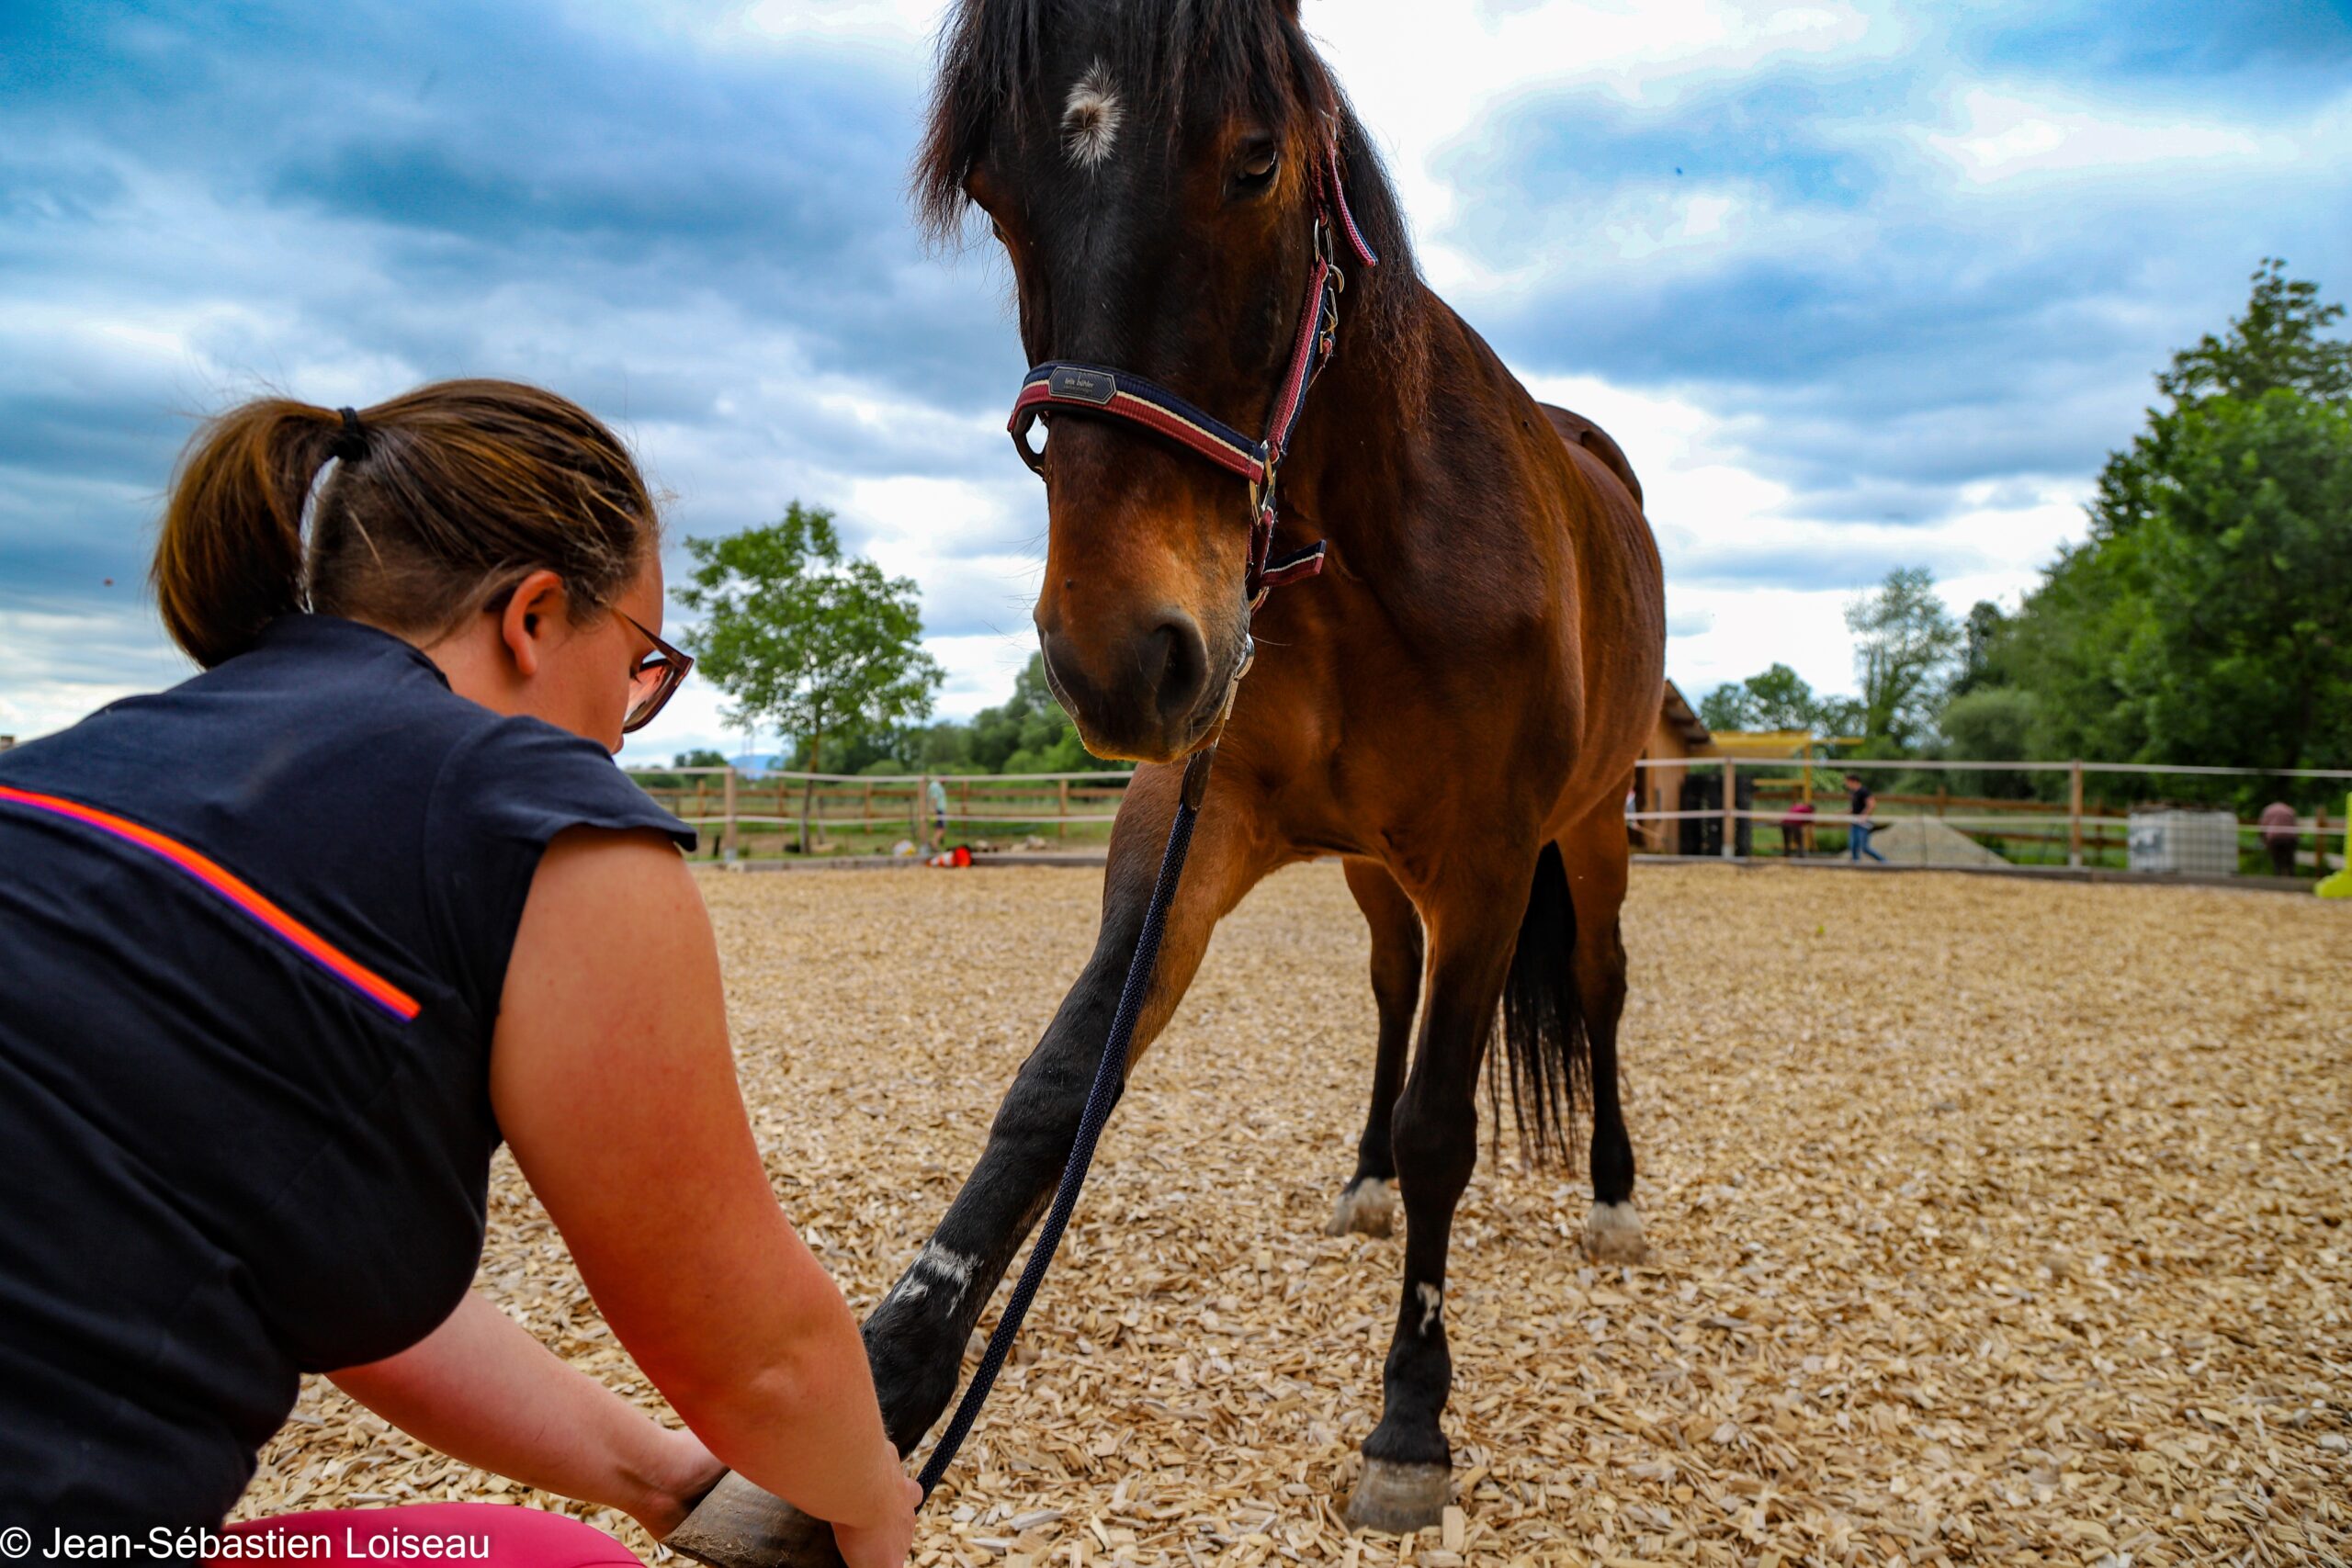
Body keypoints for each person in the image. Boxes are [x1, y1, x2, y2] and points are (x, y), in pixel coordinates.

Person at [0, 382, 921, 1565]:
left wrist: (668, 1479)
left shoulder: (75, 772)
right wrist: (870, 1504)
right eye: (641, 663)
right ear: (534, 618)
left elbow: (294, 1275)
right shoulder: (535, 816)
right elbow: (761, 1361)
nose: (626, 728)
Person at [1844, 771, 1885, 863]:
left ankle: (1884, 862)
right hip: (1855, 822)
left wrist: (1864, 816)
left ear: (1853, 781)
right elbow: (1854, 808)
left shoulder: (1864, 791)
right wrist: (1843, 813)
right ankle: (1855, 863)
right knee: (1853, 846)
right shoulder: (1854, 793)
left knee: (1864, 847)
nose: (1846, 784)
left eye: (1847, 782)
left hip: (1862, 823)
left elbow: (1872, 804)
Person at [2259, 800, 2301, 876]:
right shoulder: (2289, 810)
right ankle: (2291, 879)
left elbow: (2263, 825)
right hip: (2289, 837)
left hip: (2274, 838)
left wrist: (2263, 839)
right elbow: (2295, 824)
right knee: (2290, 860)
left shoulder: (2268, 810)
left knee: (2276, 860)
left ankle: (2278, 877)